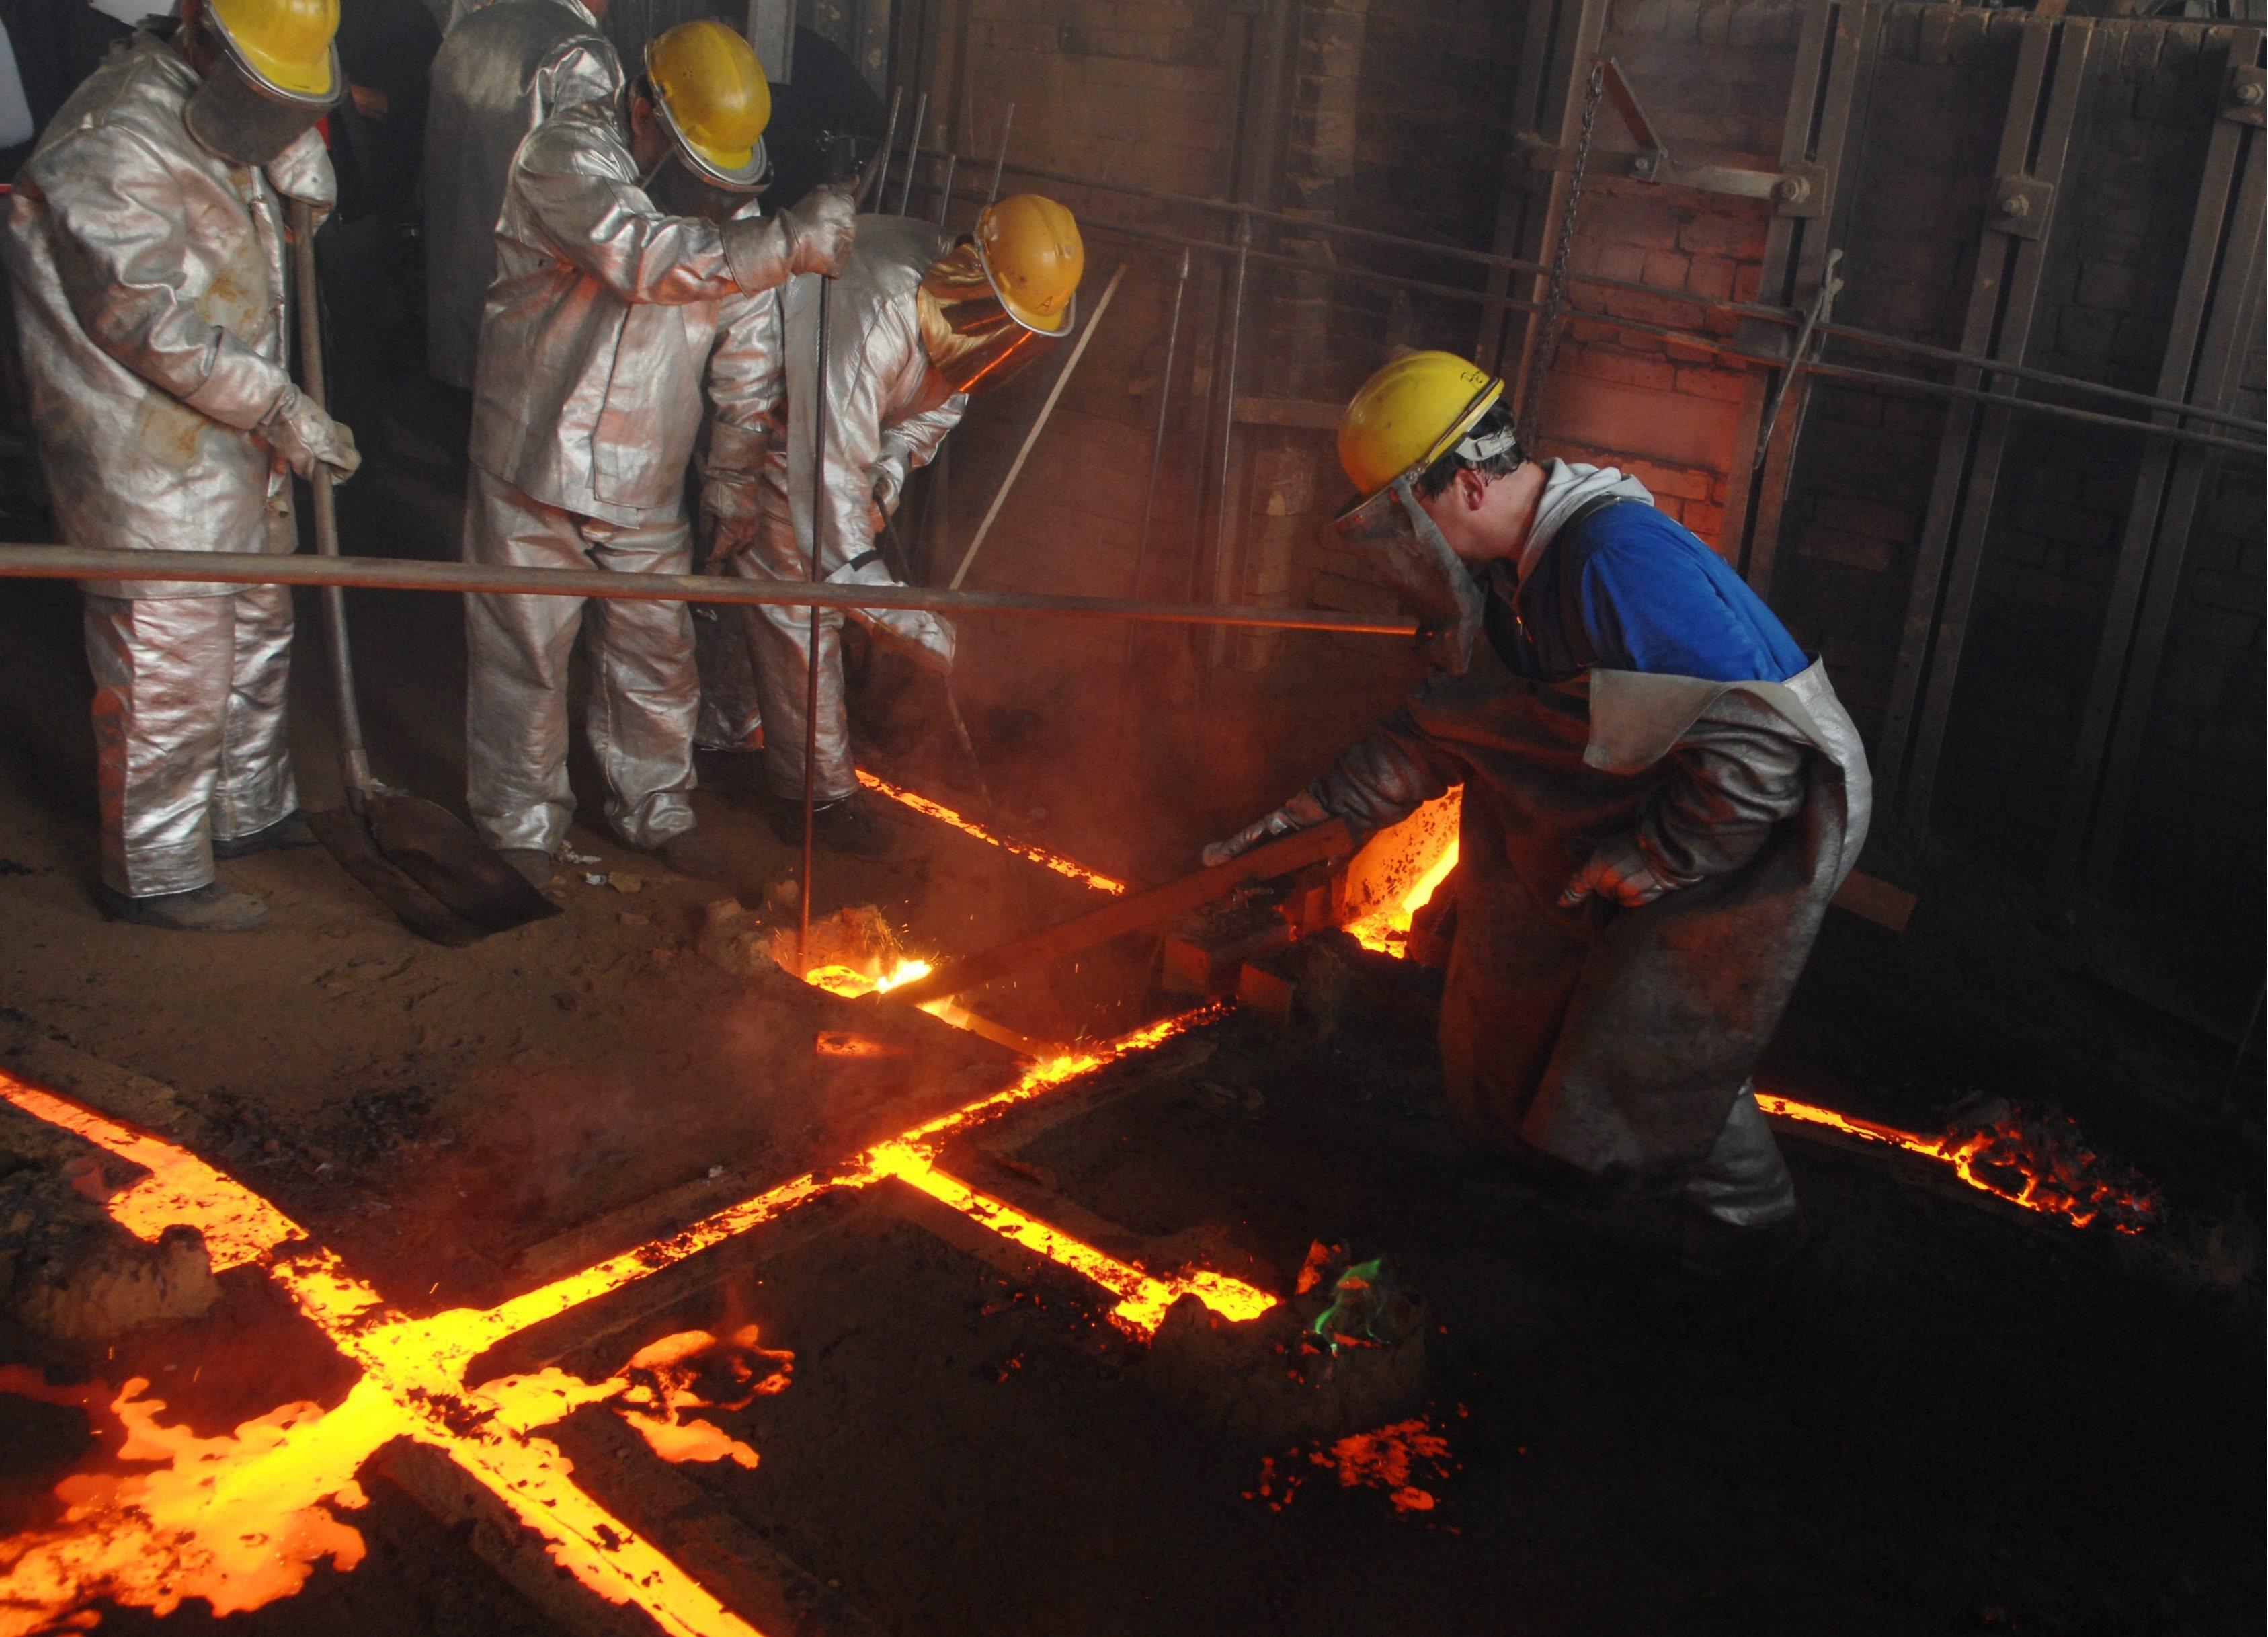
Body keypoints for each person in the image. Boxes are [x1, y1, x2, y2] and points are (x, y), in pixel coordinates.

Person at [1204, 351, 1871, 1323]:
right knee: (1538, 945)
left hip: (1768, 814)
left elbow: (1759, 750)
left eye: (1409, 511)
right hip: (1688, 793)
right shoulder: (1528, 571)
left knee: (1660, 1026)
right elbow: (1460, 721)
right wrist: (1320, 811)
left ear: (1468, 480)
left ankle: (1752, 1243)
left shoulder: (1608, 562)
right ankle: (1566, 1156)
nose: (1413, 539)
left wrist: (1657, 858)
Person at [461, 18, 854, 886]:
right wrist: (784, 244)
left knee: (655, 654)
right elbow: (642, 256)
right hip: (536, 461)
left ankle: (658, 808)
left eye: (720, 176)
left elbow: (748, 357)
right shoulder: (563, 159)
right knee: (524, 653)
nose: (707, 191)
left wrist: (728, 480)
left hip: (645, 472)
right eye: (691, 164)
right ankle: (521, 825)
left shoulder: (727, 206)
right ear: (642, 108)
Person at [3, 0, 358, 932]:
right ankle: (156, 873)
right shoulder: (110, 136)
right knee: (173, 659)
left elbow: (229, 154)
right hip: (144, 450)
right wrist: (278, 403)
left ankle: (248, 809)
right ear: (200, 33)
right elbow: (142, 318)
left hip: (227, 438)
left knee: (257, 623)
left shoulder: (205, 94)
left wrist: (280, 147)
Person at [699, 194, 1083, 857]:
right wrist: (897, 612)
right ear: (975, 275)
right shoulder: (874, 309)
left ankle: (724, 735)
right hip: (769, 419)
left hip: (830, 441)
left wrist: (889, 472)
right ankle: (817, 796)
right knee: (804, 602)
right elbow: (824, 488)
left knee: (772, 592)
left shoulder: (971, 322)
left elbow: (926, 415)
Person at [422, 0, 618, 395]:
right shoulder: (581, 50)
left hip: (452, 268)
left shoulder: (470, 29)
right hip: (530, 290)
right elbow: (592, 195)